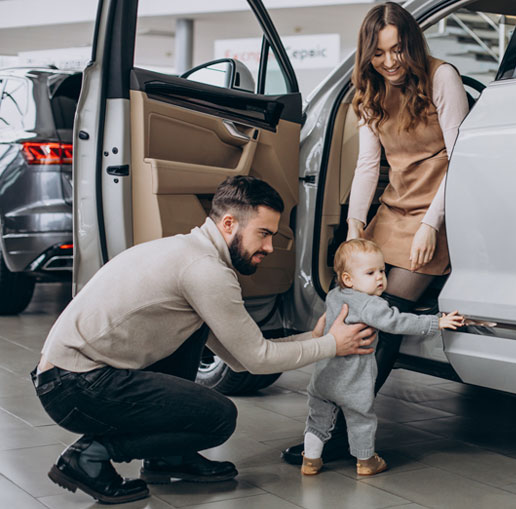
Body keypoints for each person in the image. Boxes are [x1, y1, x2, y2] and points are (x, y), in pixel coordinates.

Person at [31, 175, 376, 505]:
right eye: (264, 234)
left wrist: (313, 338)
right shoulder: (205, 270)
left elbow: (241, 356)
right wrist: (332, 345)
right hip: (74, 386)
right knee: (217, 416)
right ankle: (89, 456)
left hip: (68, 377)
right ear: (229, 224)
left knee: (195, 330)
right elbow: (257, 360)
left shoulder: (189, 252)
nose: (270, 247)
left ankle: (167, 458)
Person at [282, 1, 470, 465]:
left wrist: (431, 224)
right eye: (380, 53)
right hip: (393, 208)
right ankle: (324, 427)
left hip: (438, 210)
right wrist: (353, 228)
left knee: (382, 318)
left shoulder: (442, 77)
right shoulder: (369, 91)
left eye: (398, 50)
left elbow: (462, 159)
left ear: (412, 44)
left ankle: (347, 431)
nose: (390, 62)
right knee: (349, 312)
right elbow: (369, 166)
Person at [300, 239, 463, 476]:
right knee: (360, 420)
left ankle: (311, 461)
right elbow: (397, 321)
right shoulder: (372, 305)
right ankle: (366, 462)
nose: (379, 278)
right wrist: (435, 322)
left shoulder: (335, 295)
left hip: (324, 376)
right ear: (348, 279)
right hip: (353, 381)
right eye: (370, 273)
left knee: (317, 419)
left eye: (382, 271)